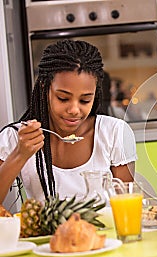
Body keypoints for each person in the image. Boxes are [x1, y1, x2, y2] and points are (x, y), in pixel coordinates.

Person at [0, 39, 137, 204]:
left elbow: (127, 202)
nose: (74, 110)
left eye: (85, 100)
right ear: (45, 89)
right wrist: (20, 154)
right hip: (47, 230)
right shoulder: (16, 137)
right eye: (63, 98)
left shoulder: (114, 132)